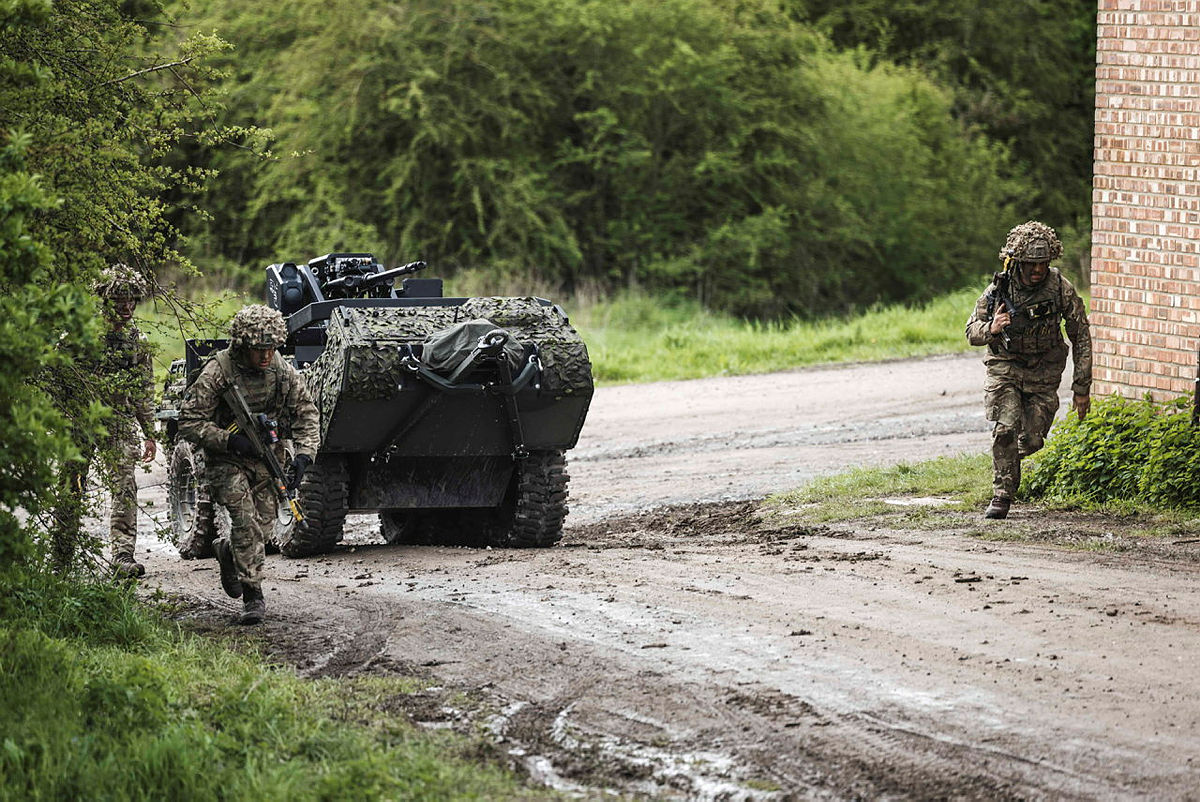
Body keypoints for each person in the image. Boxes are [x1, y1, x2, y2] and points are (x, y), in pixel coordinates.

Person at [177, 305, 319, 625]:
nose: (267, 355)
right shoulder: (220, 371)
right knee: (245, 520)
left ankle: (228, 551)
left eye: (271, 348)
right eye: (259, 350)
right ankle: (253, 595)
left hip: (267, 458)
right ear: (243, 345)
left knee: (263, 528)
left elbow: (306, 412)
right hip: (226, 460)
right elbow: (189, 419)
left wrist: (303, 456)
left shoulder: (280, 370)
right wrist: (229, 440)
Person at [966, 221, 1092, 519]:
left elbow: (1080, 334)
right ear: (1019, 262)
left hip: (1043, 374)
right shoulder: (998, 290)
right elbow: (972, 332)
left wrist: (1081, 387)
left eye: (1043, 264)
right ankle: (1002, 495)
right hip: (1005, 369)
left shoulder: (1060, 288)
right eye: (1032, 264)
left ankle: (1005, 457)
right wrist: (992, 328)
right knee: (1005, 429)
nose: (1038, 270)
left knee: (1033, 440)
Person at [51, 265, 158, 576]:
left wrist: (150, 431)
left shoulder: (137, 340)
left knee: (125, 487)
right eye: (120, 300)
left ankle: (123, 557)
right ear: (105, 301)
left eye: (132, 301)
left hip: (120, 421)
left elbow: (143, 388)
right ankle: (62, 558)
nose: (127, 307)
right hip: (81, 422)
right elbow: (58, 378)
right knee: (72, 487)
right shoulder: (78, 336)